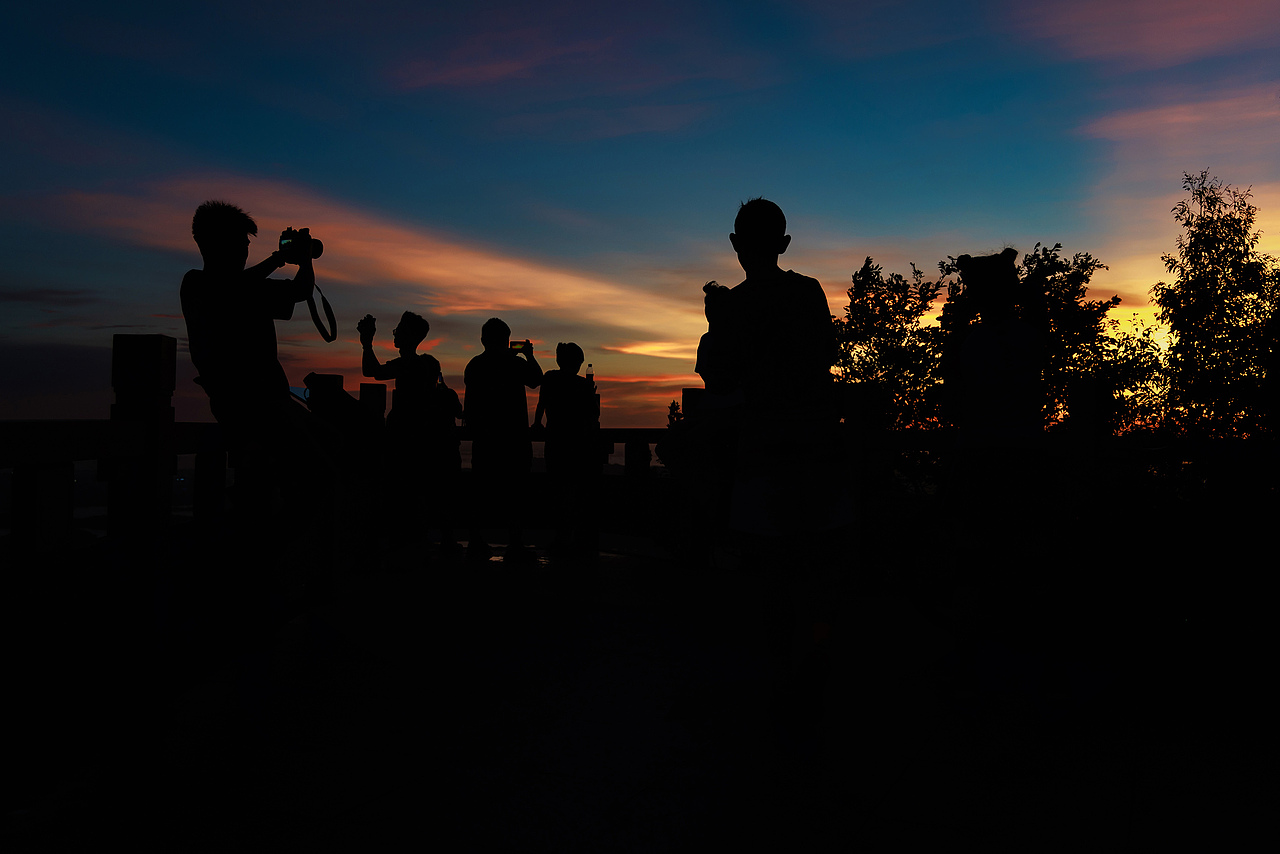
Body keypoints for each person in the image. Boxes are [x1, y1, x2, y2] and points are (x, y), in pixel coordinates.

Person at [179, 200, 325, 527]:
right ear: (222, 243)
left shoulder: (212, 287)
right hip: (256, 405)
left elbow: (298, 291)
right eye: (243, 243)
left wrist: (296, 261)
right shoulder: (201, 285)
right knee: (312, 474)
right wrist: (286, 259)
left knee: (269, 484)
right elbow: (232, 290)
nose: (246, 250)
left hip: (257, 404)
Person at [358, 311, 463, 555]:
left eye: (399, 330)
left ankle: (410, 544)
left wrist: (366, 342)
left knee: (408, 492)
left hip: (407, 439)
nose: (395, 334)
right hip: (424, 439)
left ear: (411, 336)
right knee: (429, 493)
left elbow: (372, 371)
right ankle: (432, 540)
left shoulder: (409, 364)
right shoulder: (428, 365)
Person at [463, 318, 542, 562]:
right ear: (507, 340)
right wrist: (529, 355)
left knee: (480, 492)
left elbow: (470, 403)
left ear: (483, 339)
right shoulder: (515, 363)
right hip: (514, 438)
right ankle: (515, 542)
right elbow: (536, 379)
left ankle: (476, 539)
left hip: (485, 438)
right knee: (516, 493)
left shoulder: (475, 364)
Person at [533, 342, 598, 553]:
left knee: (557, 487)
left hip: (555, 439)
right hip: (578, 443)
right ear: (578, 362)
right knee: (574, 490)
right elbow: (592, 416)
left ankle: (561, 535)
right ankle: (573, 536)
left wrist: (536, 423)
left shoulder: (550, 378)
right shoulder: (584, 385)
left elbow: (541, 403)